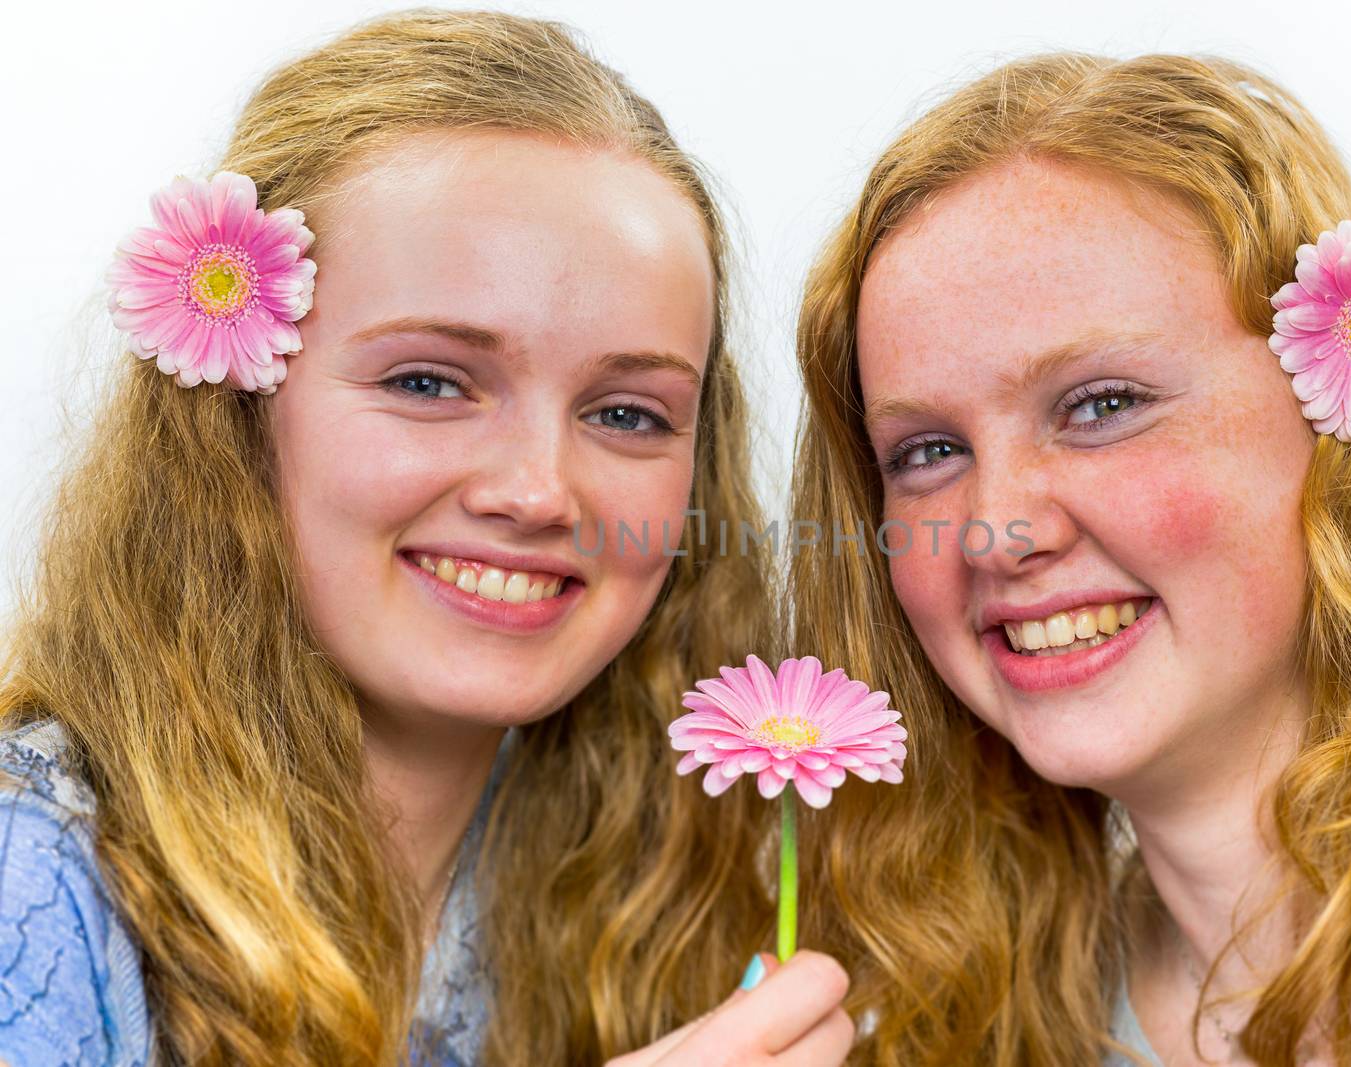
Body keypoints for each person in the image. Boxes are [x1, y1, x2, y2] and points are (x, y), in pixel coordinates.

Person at [0, 11, 851, 1066]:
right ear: (233, 414)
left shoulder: (664, 887)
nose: (540, 490)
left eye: (626, 412)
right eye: (429, 381)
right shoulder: (27, 876)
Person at [788, 53, 1351, 1065]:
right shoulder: (982, 1019)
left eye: (1101, 405)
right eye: (928, 452)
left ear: (1335, 421)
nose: (996, 524)